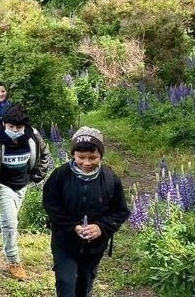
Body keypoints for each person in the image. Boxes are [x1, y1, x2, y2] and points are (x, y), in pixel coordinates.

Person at [0, 105, 51, 281]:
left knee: (7, 218)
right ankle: (14, 261)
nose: (15, 130)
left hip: (22, 184)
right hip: (1, 185)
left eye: (18, 128)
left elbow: (45, 153)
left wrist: (38, 174)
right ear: (4, 123)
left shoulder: (33, 136)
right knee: (11, 223)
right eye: (11, 127)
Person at [43, 127, 130, 297]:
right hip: (65, 243)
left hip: (94, 247)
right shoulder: (60, 175)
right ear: (73, 155)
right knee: (66, 285)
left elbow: (120, 211)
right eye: (81, 157)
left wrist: (101, 227)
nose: (87, 163)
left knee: (84, 288)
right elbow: (51, 204)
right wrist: (73, 226)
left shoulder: (110, 179)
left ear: (101, 156)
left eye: (93, 157)